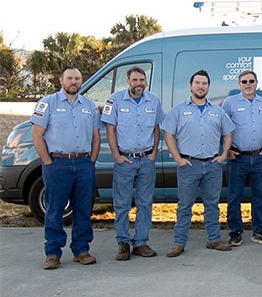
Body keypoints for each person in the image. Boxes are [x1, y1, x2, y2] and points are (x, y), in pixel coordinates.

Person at [31, 66, 101, 270]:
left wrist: (92, 161)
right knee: (55, 209)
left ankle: (81, 250)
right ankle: (52, 253)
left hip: (83, 163)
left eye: (77, 79)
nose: (74, 82)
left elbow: (96, 136)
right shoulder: (47, 103)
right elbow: (37, 135)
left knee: (83, 208)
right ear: (61, 79)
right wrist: (47, 162)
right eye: (70, 78)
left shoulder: (89, 105)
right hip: (58, 164)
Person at [162, 70, 235, 257]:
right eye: (198, 83)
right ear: (191, 85)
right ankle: (179, 242)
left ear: (208, 87)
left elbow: (228, 132)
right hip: (189, 165)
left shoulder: (217, 111)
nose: (201, 86)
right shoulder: (178, 110)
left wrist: (224, 154)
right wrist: (178, 158)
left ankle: (213, 239)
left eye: (204, 83)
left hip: (212, 165)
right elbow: (168, 133)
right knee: (185, 205)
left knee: (212, 204)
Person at [101, 66, 163, 261]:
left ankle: (141, 242)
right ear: (128, 81)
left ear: (146, 82)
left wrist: (153, 153)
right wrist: (116, 156)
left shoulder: (153, 101)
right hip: (125, 160)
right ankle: (123, 243)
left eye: (141, 80)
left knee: (145, 203)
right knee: (122, 203)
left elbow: (156, 128)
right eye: (135, 80)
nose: (138, 83)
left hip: (146, 160)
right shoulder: (115, 100)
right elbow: (110, 129)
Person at [222, 70, 262, 246]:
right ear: (239, 84)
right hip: (238, 158)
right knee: (234, 197)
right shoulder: (229, 103)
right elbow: (222, 128)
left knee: (260, 196)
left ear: (256, 83)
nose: (248, 84)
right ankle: (235, 232)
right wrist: (226, 150)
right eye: (244, 81)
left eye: (251, 81)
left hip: (258, 157)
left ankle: (259, 231)